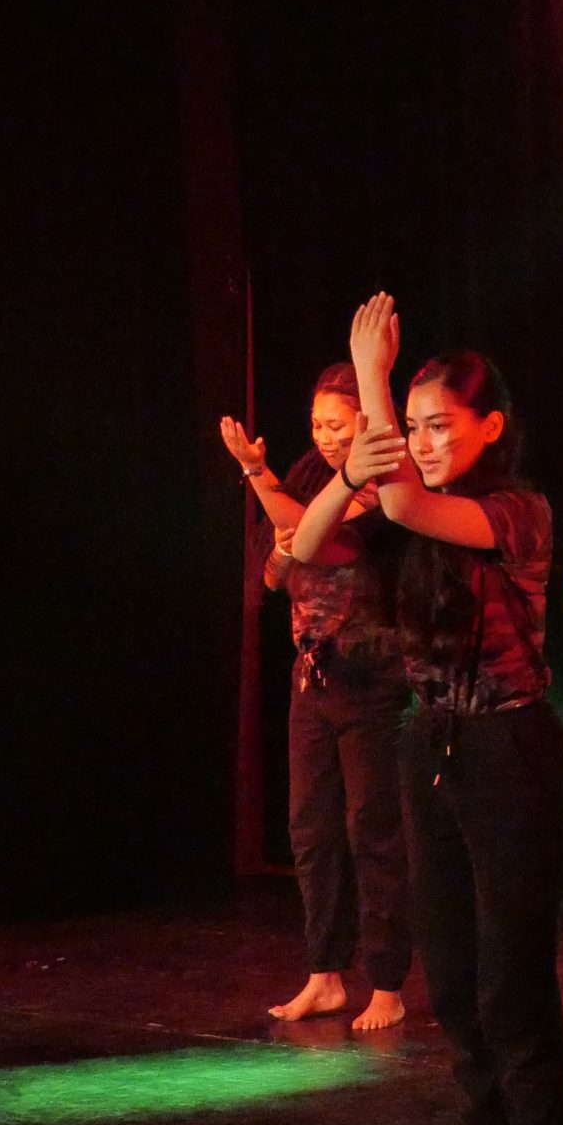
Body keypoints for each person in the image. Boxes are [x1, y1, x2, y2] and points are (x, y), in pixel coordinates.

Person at [292, 295, 563, 1125]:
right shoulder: (401, 507)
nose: (420, 442)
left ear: (490, 426)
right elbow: (302, 548)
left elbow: (408, 501)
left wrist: (372, 376)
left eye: (438, 424)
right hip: (431, 743)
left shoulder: (516, 510)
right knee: (450, 979)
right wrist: (349, 471)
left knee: (511, 981)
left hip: (510, 747)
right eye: (409, 428)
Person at [222, 365, 410, 1030]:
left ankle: (386, 984)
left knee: (372, 831)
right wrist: (281, 546)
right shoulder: (305, 477)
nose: (325, 437)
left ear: (365, 421)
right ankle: (324, 975)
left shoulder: (384, 485)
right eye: (316, 425)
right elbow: (276, 572)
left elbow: (315, 537)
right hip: (313, 679)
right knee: (311, 830)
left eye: (336, 425)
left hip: (372, 679)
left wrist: (257, 475)